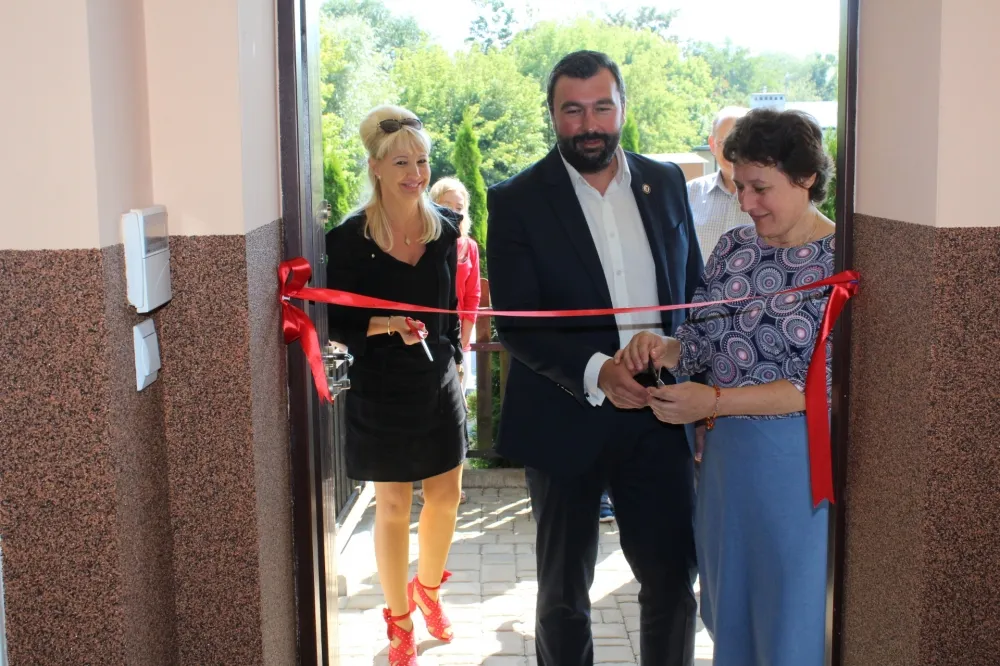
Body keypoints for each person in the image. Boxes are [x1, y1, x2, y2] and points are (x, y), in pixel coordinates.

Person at [486, 50, 703, 666]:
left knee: (672, 581)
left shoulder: (665, 182)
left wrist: (694, 379)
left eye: (602, 108)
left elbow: (691, 291)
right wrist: (598, 372)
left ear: (623, 108)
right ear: (552, 115)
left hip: (659, 415)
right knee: (563, 595)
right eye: (573, 110)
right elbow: (516, 323)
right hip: (562, 417)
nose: (589, 125)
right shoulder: (516, 199)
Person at [615, 107, 836, 666]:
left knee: (787, 613)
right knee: (729, 608)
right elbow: (701, 340)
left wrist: (712, 401)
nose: (746, 202)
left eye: (761, 188)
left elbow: (818, 386)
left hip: (794, 467)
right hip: (724, 463)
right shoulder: (736, 247)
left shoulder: (840, 263)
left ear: (806, 177)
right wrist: (662, 348)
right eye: (740, 186)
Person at [325, 105, 467, 666]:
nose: (416, 173)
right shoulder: (347, 239)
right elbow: (334, 321)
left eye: (422, 161)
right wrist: (387, 324)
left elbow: (449, 309)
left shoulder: (445, 228)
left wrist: (453, 358)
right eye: (402, 161)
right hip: (380, 385)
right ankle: (400, 620)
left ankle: (427, 590)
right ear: (376, 167)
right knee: (392, 505)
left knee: (446, 498)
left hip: (437, 379)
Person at [685, 106, 753, 465]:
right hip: (696, 329)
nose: (735, 149)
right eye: (728, 141)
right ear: (713, 145)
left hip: (751, 332)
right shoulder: (687, 195)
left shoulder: (766, 197)